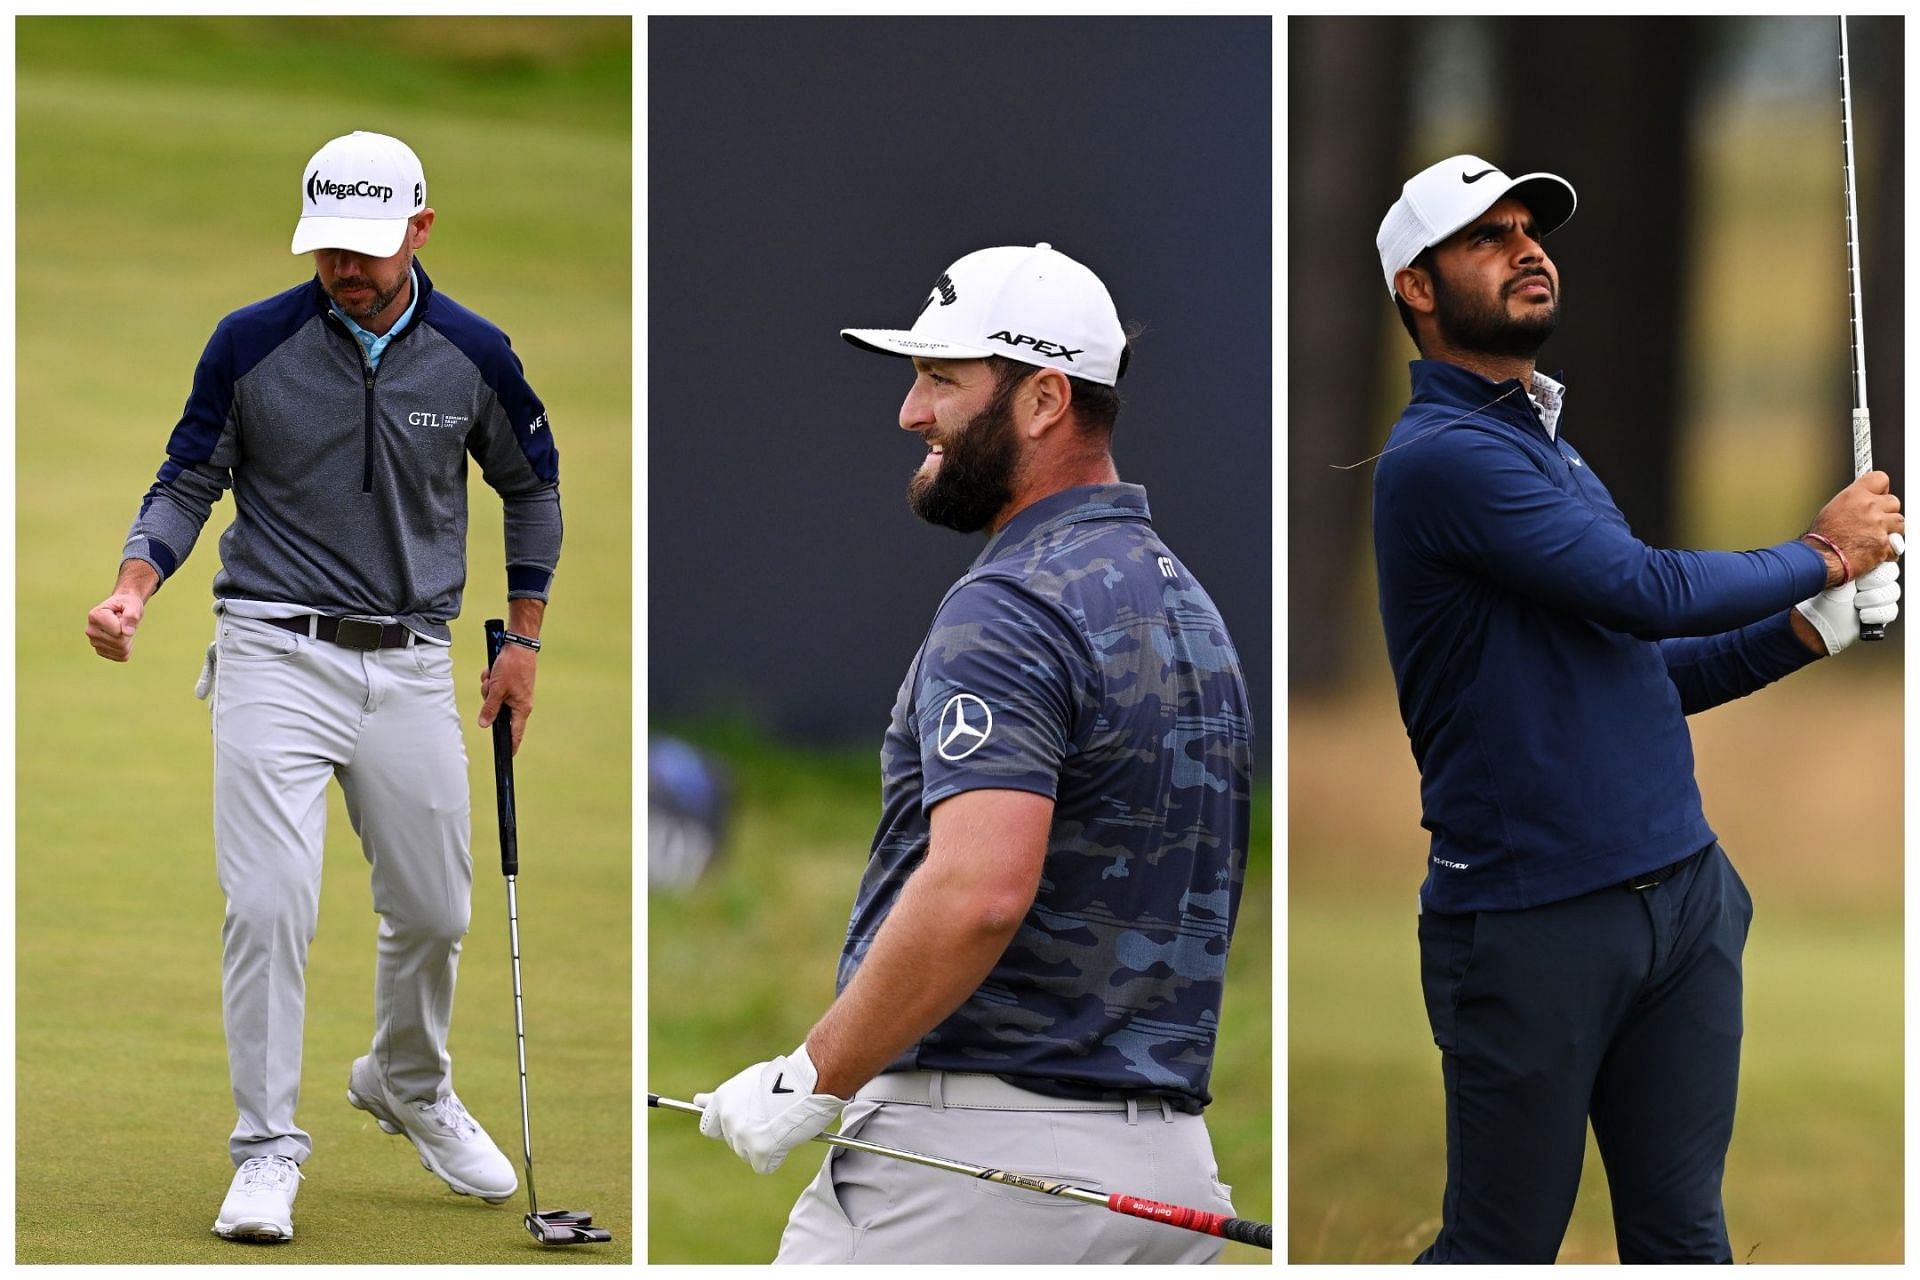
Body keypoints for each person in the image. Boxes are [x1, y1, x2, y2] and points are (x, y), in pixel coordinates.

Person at [1371, 154, 1903, 1264]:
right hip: (1531, 924)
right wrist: (1820, 553)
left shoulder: (1544, 447)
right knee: (1501, 1242)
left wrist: (1810, 627)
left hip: (1681, 898)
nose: (1528, 249)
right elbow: (1647, 591)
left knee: (1681, 1234)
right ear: (1417, 287)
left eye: (1531, 228)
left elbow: (1633, 667)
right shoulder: (1444, 460)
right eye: (1487, 237)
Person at [691, 244, 1253, 1263]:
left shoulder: (1007, 608)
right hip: (1164, 1182)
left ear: (1043, 400)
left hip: (975, 1174)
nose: (912, 412)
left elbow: (980, 888)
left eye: (943, 380)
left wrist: (810, 1075)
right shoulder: (1193, 609)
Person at [83, 130, 563, 1243]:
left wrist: (524, 638)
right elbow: (186, 476)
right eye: (326, 248)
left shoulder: (475, 354)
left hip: (408, 660)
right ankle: (265, 1149)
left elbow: (531, 489)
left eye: (365, 246)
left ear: (419, 231)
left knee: (438, 910)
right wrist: (133, 586)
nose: (344, 268)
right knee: (268, 904)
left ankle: (405, 1078)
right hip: (269, 649)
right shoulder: (250, 343)